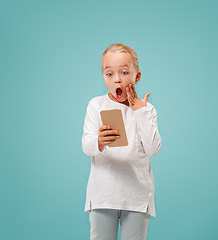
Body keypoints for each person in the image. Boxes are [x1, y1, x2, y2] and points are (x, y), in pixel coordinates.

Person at [82, 43, 162, 240]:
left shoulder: (147, 110)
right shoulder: (96, 105)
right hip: (103, 196)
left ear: (137, 76)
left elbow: (153, 150)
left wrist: (141, 112)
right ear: (103, 76)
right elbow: (86, 145)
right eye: (109, 74)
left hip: (137, 198)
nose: (117, 79)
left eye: (124, 72)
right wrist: (99, 141)